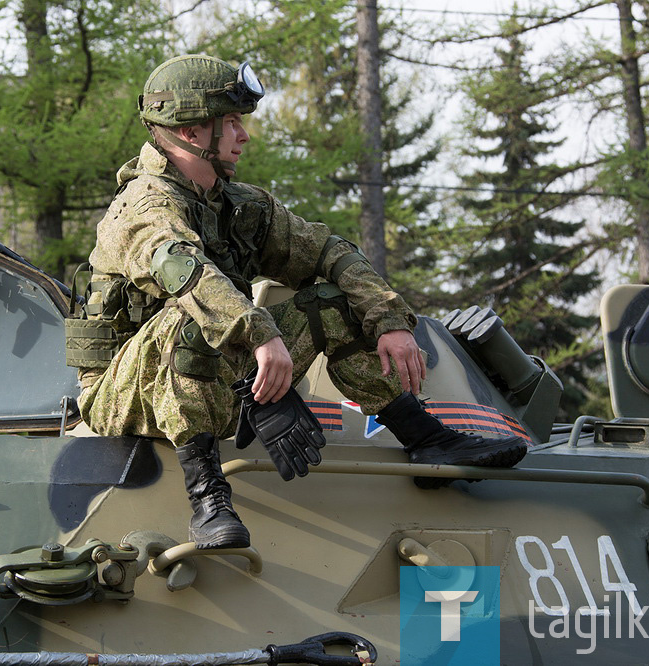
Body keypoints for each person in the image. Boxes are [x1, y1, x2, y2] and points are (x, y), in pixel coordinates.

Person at [74, 54, 527, 550]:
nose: (243, 135)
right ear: (191, 133)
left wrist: (390, 320)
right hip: (128, 394)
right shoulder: (142, 207)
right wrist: (262, 335)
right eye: (231, 123)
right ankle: (207, 496)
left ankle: (423, 437)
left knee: (336, 300)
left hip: (213, 374)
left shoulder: (239, 206)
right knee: (191, 314)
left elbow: (329, 252)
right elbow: (189, 275)